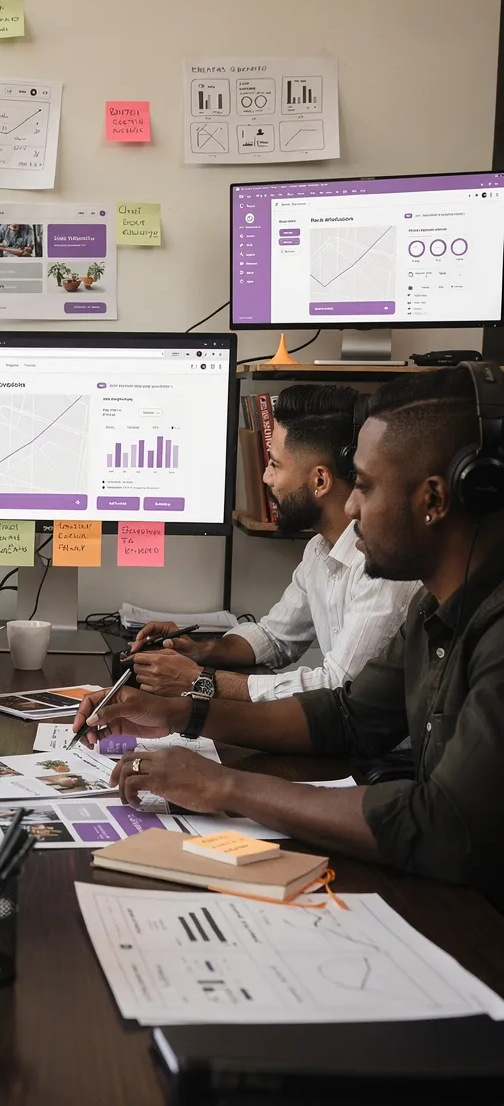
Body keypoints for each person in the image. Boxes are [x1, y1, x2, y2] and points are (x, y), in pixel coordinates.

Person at [72, 367, 504, 902]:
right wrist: (180, 714)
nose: (349, 507)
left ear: (434, 500)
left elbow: (444, 826)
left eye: (365, 487)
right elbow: (347, 718)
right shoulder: (431, 606)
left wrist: (225, 785)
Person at [128, 385, 420, 701]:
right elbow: (275, 637)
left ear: (320, 481)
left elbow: (338, 687)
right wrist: (199, 650)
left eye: (275, 464)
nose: (266, 478)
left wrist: (202, 681)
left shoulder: (385, 568)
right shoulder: (319, 550)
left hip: (387, 749)